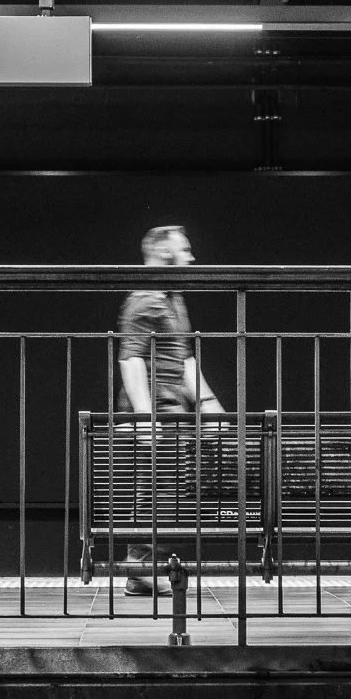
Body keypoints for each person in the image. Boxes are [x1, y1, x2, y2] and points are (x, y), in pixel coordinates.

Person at [116, 225, 224, 596]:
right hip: (156, 413)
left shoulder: (173, 298)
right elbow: (130, 359)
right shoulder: (145, 299)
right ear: (165, 254)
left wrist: (208, 405)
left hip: (175, 411)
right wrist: (145, 417)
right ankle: (139, 570)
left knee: (168, 491)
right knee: (156, 491)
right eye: (186, 250)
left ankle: (146, 568)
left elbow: (184, 358)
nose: (192, 258)